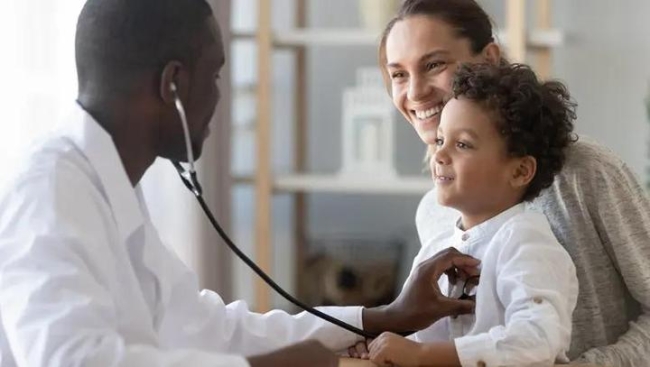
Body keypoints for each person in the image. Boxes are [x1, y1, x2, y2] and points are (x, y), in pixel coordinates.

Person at [0, 0, 483, 366]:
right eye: (214, 78)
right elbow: (72, 360)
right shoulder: (47, 188)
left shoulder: (109, 189)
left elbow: (215, 329)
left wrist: (385, 316)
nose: (220, 101)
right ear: (173, 86)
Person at [355, 0, 650, 365]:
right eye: (399, 74)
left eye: (434, 65)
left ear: (490, 58)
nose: (414, 93)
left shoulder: (585, 172)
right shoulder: (436, 211)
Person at [368, 62, 579, 366]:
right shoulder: (435, 249)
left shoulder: (527, 244)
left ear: (520, 171)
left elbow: (537, 338)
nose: (439, 155)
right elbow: (412, 339)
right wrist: (381, 345)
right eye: (440, 140)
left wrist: (422, 356)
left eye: (463, 144)